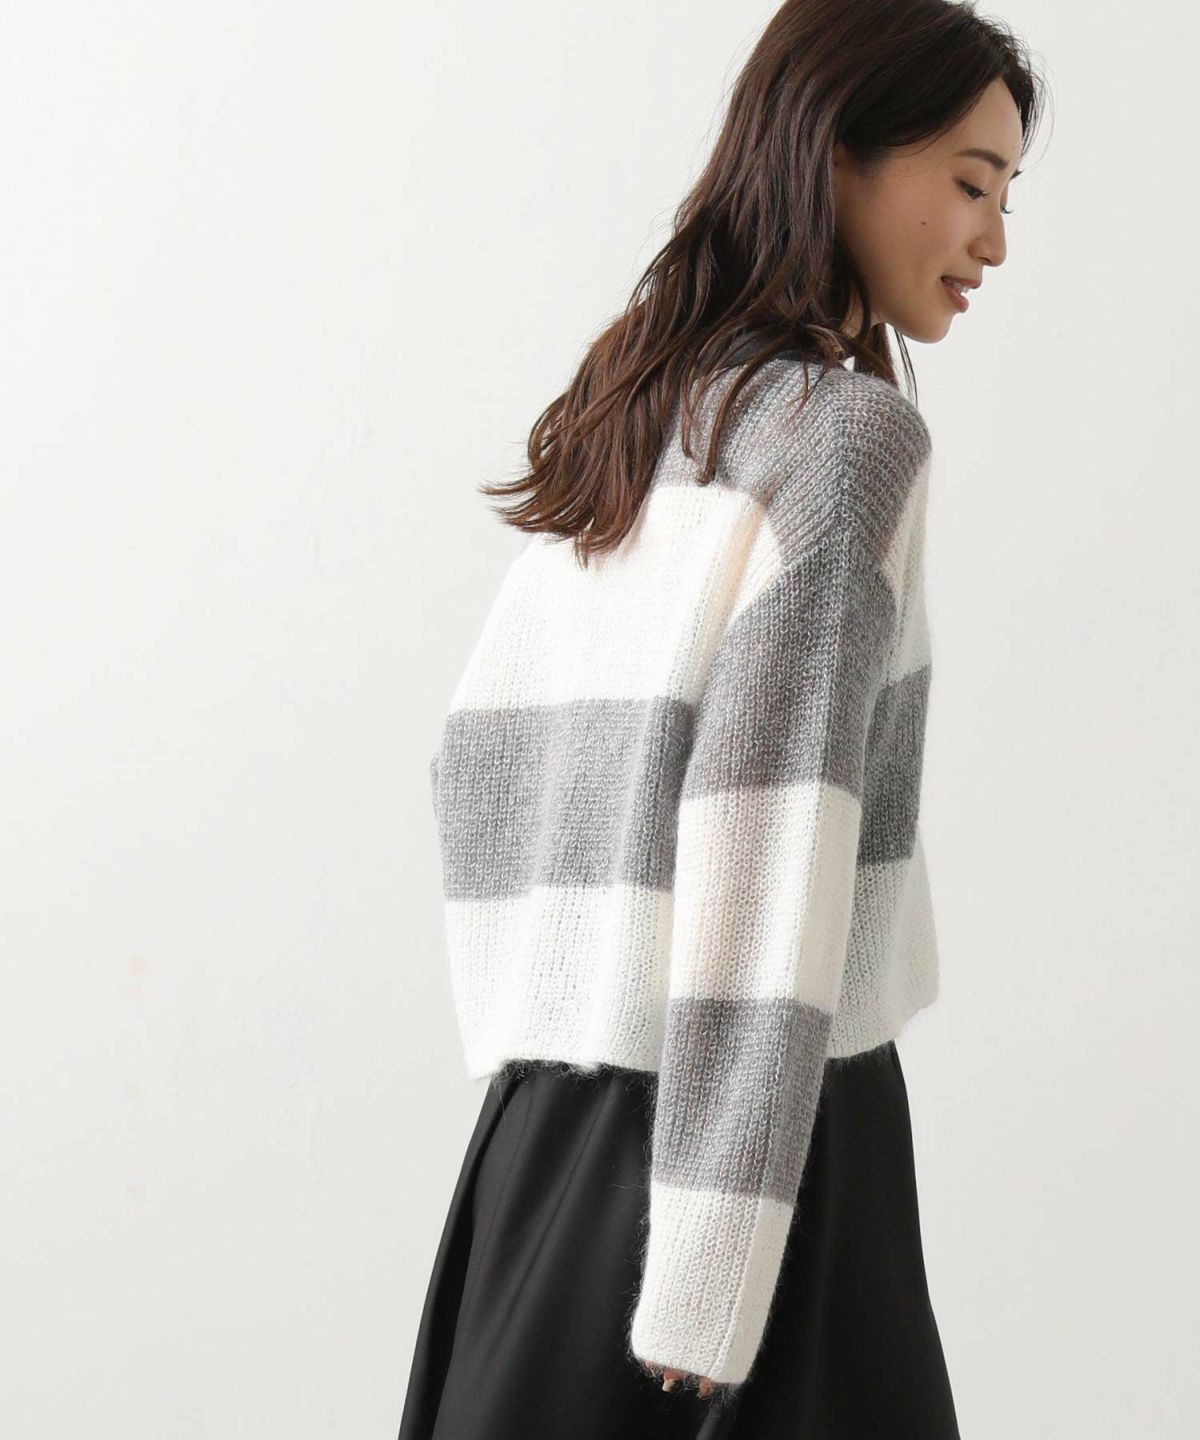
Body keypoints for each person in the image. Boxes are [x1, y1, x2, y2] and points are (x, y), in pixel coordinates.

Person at [398, 1, 1047, 1435]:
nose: (994, 239)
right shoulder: (847, 439)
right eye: (970, 182)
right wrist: (710, 1263)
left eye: (1007, 193)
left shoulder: (640, 408)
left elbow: (477, 767)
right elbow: (773, 834)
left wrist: (557, 1015)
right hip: (756, 1146)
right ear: (838, 152)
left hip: (550, 1129)